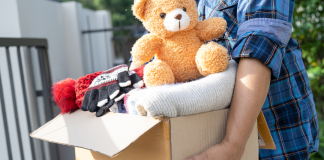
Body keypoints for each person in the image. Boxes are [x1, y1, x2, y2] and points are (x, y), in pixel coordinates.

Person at [129, 0, 319, 159]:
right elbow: (154, 37)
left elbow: (259, 43)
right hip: (201, 133)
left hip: (272, 126)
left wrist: (233, 144)